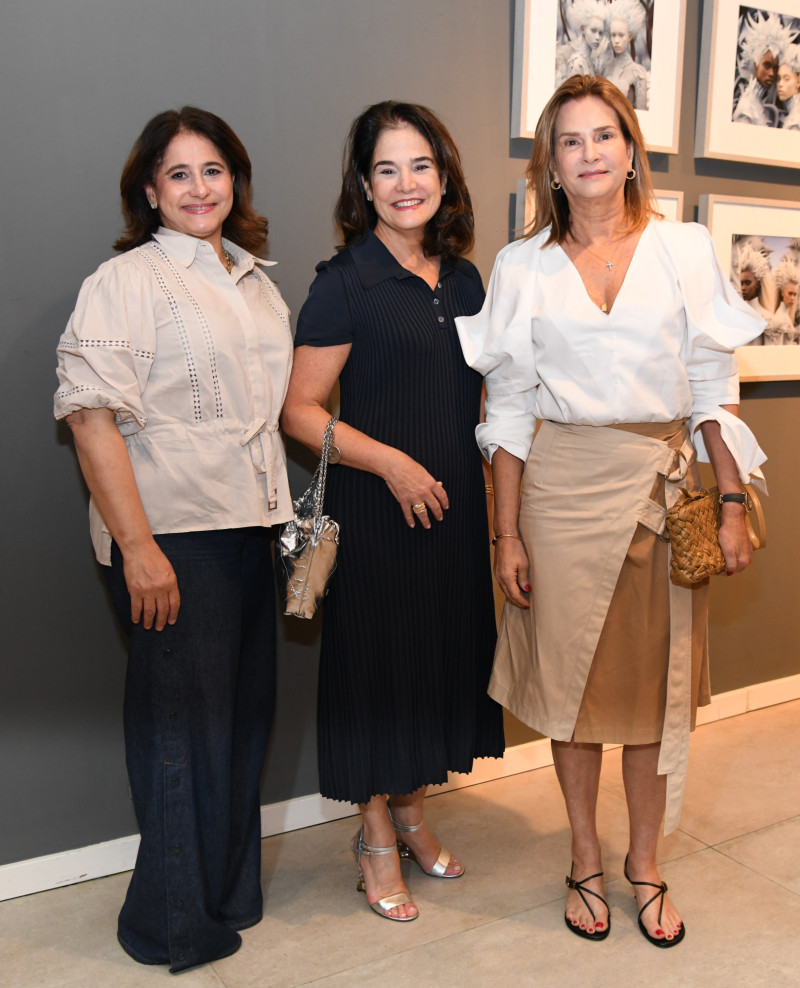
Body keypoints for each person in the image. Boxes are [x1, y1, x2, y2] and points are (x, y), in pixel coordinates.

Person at [457, 75, 766, 948]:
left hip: (664, 490)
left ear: (631, 151)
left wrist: (733, 501)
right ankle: (584, 858)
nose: (589, 153)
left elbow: (714, 389)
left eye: (604, 136)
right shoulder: (521, 266)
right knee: (572, 695)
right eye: (570, 141)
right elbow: (506, 411)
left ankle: (645, 862)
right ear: (550, 166)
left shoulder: (686, 248)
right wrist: (505, 531)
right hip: (556, 495)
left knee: (649, 694)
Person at [54, 107, 294, 972]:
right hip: (172, 538)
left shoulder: (257, 282)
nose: (200, 188)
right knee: (179, 730)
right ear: (150, 190)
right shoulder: (125, 282)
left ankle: (227, 895)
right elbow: (90, 421)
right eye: (180, 174)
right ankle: (169, 925)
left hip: (249, 530)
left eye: (215, 170)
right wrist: (139, 548)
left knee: (238, 723)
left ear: (236, 181)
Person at [280, 101, 504, 923]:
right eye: (386, 168)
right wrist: (393, 464)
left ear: (444, 178)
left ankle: (412, 811)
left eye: (420, 166)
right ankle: (374, 831)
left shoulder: (469, 278)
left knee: (433, 665)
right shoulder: (344, 284)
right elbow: (300, 411)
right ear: (363, 185)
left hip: (452, 513)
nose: (405, 183)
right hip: (377, 514)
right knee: (377, 671)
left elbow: (480, 394)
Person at [732, 12, 795, 126]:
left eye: (775, 68)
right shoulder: (747, 109)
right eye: (767, 65)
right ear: (755, 64)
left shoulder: (758, 105)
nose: (771, 73)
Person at [604, 0, 648, 110]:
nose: (616, 41)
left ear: (629, 37)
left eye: (621, 35)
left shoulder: (638, 72)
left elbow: (641, 114)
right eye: (613, 35)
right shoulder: (606, 68)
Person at [736, 243, 775, 343]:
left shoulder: (766, 318)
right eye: (742, 283)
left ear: (758, 284)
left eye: (747, 283)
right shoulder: (739, 313)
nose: (743, 288)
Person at [765, 259, 800, 345]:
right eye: (790, 294)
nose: (792, 298)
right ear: (782, 293)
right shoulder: (780, 318)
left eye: (795, 294)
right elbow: (778, 347)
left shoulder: (786, 316)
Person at [777, 45, 800, 129]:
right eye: (779, 79)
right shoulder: (791, 113)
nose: (780, 84)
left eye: (786, 79)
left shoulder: (795, 119)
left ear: (798, 82)